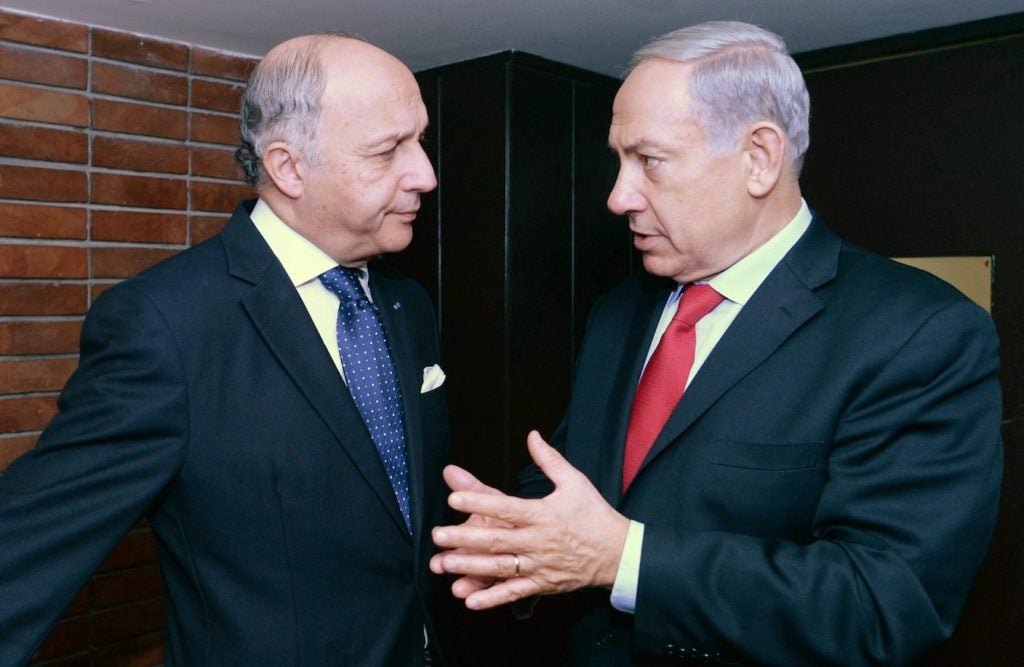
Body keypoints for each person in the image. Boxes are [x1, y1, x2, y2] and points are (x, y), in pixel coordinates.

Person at [430, 20, 1003, 666]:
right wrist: (514, 542)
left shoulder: (916, 334)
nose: (618, 196)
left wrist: (625, 559)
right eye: (619, 162)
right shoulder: (620, 313)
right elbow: (578, 481)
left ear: (759, 157)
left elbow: (884, 603)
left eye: (648, 160)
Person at [0, 33, 450, 666]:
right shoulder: (166, 325)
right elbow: (26, 547)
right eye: (388, 150)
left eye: (420, 140)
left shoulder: (408, 306)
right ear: (289, 167)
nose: (425, 175)